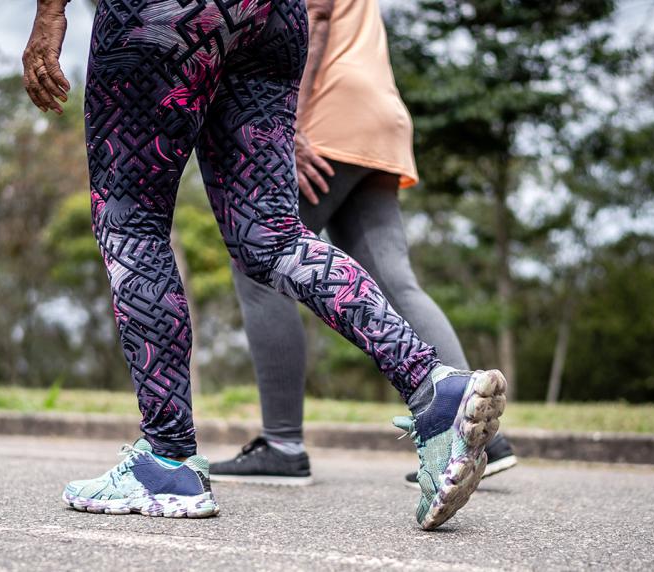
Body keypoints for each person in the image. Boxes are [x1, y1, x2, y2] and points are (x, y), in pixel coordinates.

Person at [22, 0, 505, 530]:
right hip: (273, 16)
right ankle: (432, 386)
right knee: (270, 235)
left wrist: (49, 13)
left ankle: (168, 459)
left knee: (131, 223)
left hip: (162, 15)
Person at [208, 0, 518, 488]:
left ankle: (282, 445)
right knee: (395, 280)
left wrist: (289, 125)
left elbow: (315, 17)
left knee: (258, 257)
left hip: (326, 111)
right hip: (379, 112)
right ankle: (475, 430)